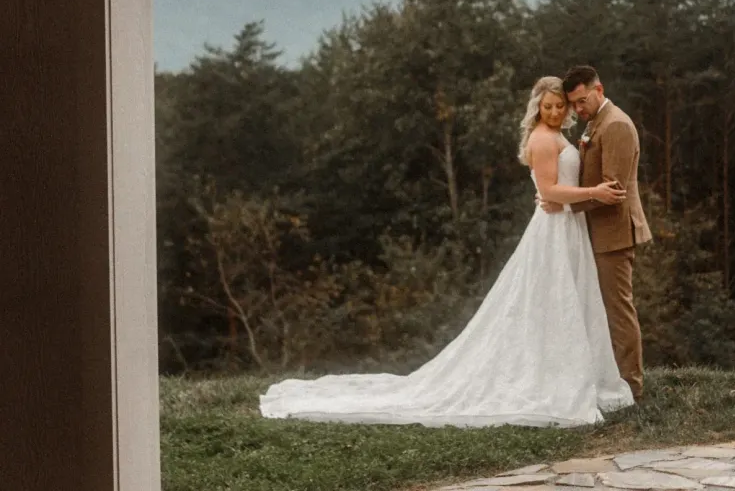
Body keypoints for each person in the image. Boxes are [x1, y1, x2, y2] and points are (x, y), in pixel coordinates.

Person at [258, 76, 634, 427]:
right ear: (537, 107)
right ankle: (551, 379)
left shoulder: (558, 135)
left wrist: (575, 197)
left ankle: (567, 371)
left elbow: (557, 188)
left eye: (559, 106)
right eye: (547, 106)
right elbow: (549, 191)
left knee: (566, 301)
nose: (553, 112)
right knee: (552, 300)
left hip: (567, 226)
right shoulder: (541, 139)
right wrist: (592, 193)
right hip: (554, 229)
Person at [543, 65, 652, 402]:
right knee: (602, 308)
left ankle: (631, 386)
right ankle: (609, 378)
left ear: (599, 90)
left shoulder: (616, 124)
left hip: (614, 232)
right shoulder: (596, 122)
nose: (578, 109)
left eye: (582, 100)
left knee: (618, 310)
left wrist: (566, 203)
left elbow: (613, 191)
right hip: (596, 230)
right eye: (573, 103)